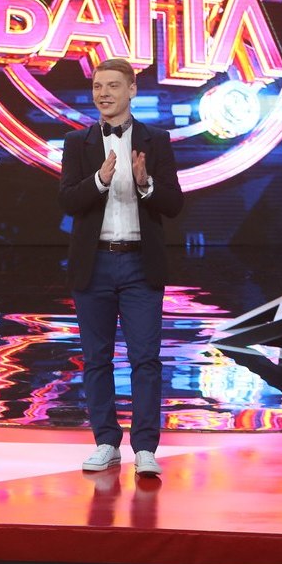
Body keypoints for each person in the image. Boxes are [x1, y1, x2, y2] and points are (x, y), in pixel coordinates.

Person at [59, 58, 183, 476]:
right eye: (98, 86)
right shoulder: (76, 142)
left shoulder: (156, 140)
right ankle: (106, 442)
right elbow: (68, 201)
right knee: (96, 359)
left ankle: (145, 447)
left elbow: (174, 204)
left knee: (145, 359)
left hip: (139, 265)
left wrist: (146, 184)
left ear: (132, 90)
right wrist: (99, 180)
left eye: (113, 85)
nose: (104, 94)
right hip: (93, 264)